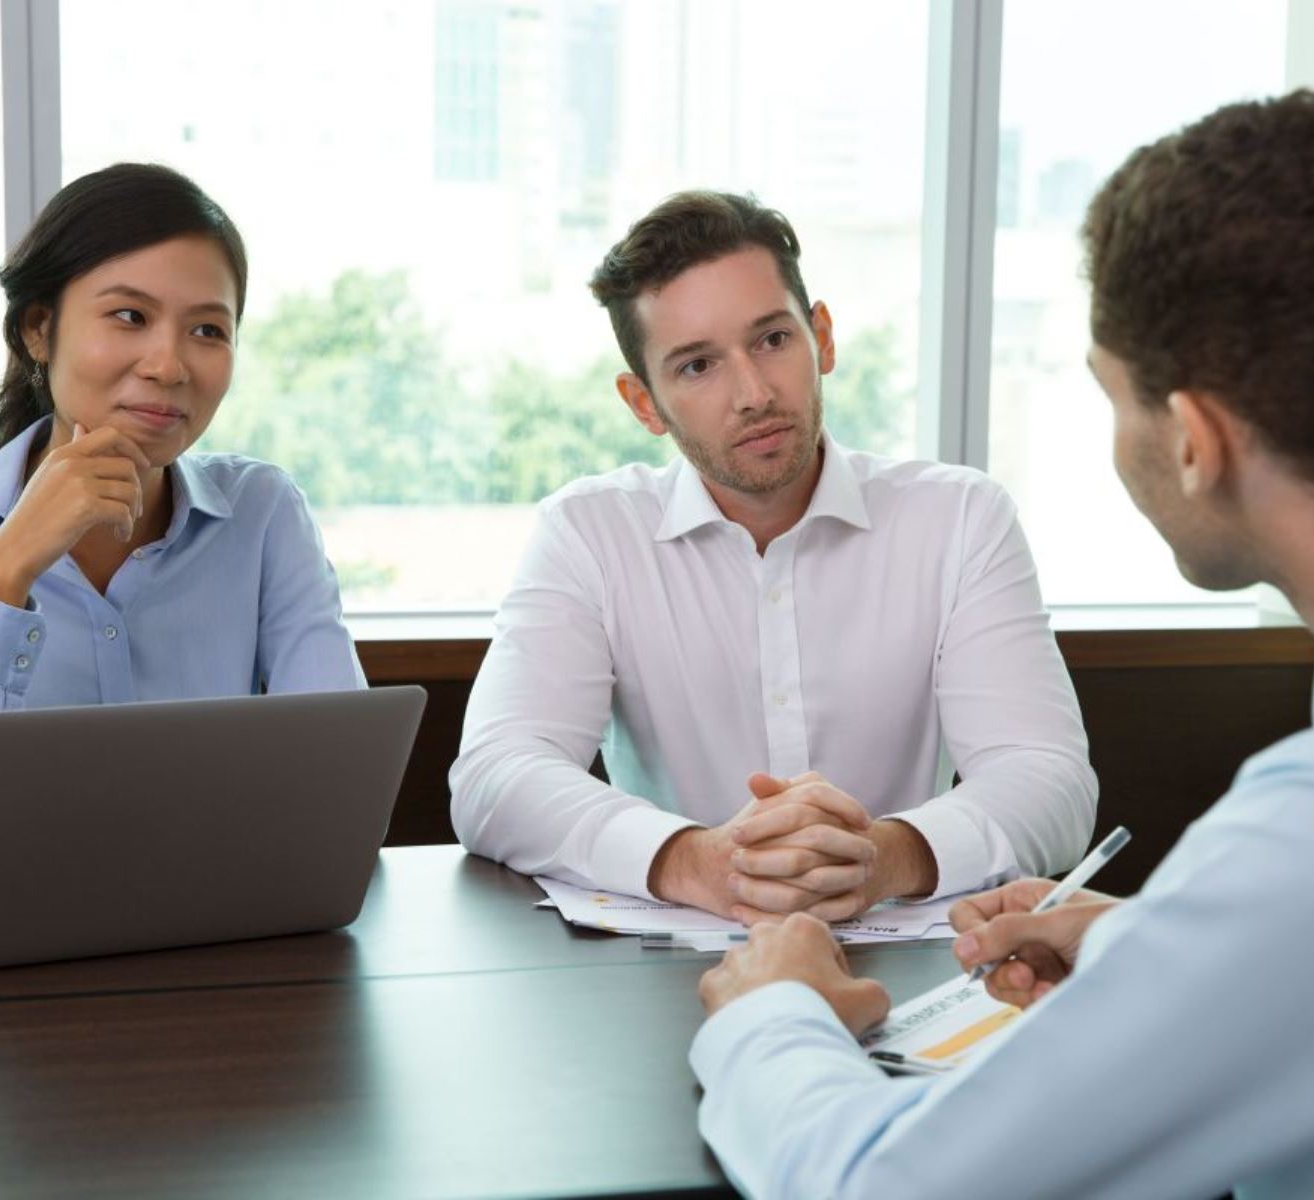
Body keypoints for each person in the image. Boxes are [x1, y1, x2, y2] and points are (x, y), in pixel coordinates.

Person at [689, 90, 1314, 1198]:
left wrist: (772, 1012)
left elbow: (880, 1189)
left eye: (1112, 399)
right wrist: (1172, 948)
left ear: (1194, 441)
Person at [451, 191, 1096, 923]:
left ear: (820, 336)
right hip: (663, 980)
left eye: (772, 341)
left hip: (920, 961)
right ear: (644, 403)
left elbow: (1051, 781)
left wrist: (882, 857)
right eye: (697, 367)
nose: (754, 394)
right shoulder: (587, 534)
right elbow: (495, 778)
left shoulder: (961, 520)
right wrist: (697, 863)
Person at [0, 163, 364, 895]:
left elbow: (339, 807)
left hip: (221, 945)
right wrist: (7, 570)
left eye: (208, 329)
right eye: (129, 316)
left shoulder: (263, 514)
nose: (168, 364)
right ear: (37, 330)